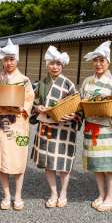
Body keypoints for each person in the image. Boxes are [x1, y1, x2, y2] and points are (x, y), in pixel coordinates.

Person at [0, 39, 34, 211]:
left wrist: (22, 108)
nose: (9, 63)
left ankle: (18, 195)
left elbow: (29, 100)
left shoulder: (25, 80)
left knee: (19, 158)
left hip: (18, 121)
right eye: (6, 59)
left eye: (12, 59)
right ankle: (6, 195)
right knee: (2, 158)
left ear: (17, 60)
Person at [31, 46, 80, 208]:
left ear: (62, 66)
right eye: (52, 63)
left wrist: (74, 115)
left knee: (64, 163)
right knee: (48, 161)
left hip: (65, 128)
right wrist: (37, 108)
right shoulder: (41, 84)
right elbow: (32, 102)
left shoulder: (68, 84)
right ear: (47, 65)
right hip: (47, 126)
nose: (55, 67)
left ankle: (64, 193)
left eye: (58, 64)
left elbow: (78, 107)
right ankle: (53, 193)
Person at [80, 40, 112, 212]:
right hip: (92, 127)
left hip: (108, 128)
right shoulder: (87, 82)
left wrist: (110, 113)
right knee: (97, 165)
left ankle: (110, 196)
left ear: (108, 62)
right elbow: (82, 101)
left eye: (102, 61)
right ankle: (100, 193)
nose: (98, 64)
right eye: (96, 61)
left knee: (109, 164)